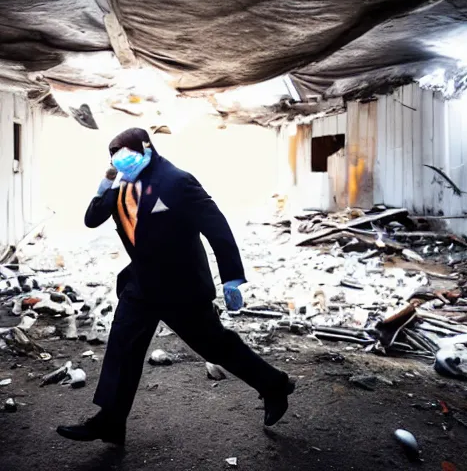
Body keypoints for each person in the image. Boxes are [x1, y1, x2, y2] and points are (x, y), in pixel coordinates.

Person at [56, 128, 294, 445]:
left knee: (214, 346)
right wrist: (105, 184)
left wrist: (232, 278)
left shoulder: (177, 180)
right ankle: (111, 421)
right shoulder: (122, 184)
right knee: (123, 346)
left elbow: (215, 224)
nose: (120, 161)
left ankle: (274, 385)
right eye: (114, 156)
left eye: (125, 155)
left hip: (181, 285)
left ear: (146, 149)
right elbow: (92, 218)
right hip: (140, 285)